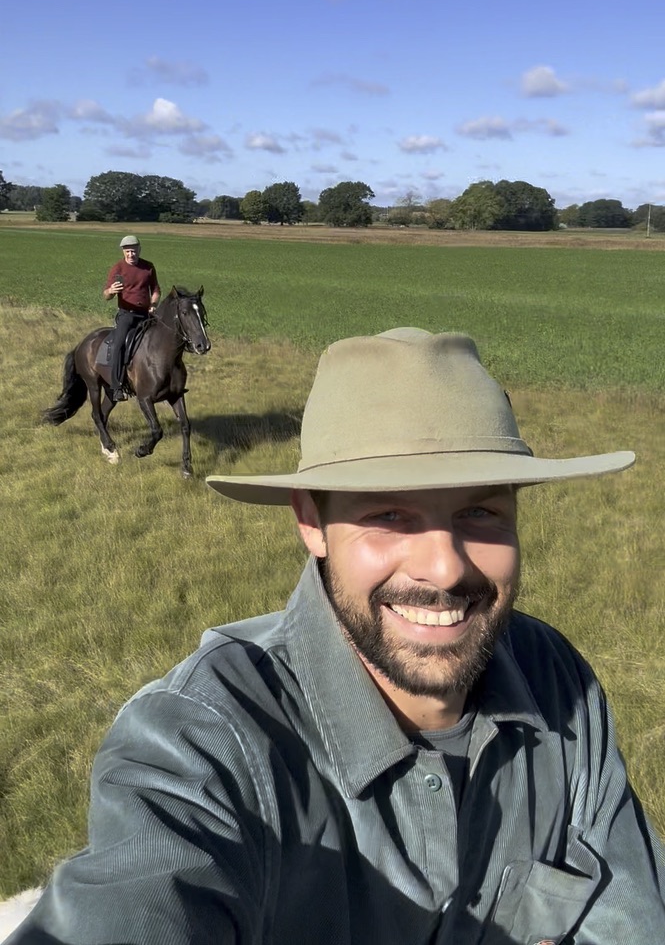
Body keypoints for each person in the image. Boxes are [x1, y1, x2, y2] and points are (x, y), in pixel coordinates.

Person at [9, 329, 664, 944]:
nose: (445, 567)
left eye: (480, 511)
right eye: (387, 515)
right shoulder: (202, 738)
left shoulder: (558, 683)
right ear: (310, 521)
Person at [103, 234, 160, 402]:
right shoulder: (117, 269)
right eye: (127, 251)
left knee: (164, 339)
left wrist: (154, 304)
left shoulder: (148, 267)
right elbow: (106, 296)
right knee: (119, 345)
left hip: (146, 315)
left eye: (134, 251)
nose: (131, 255)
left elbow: (156, 290)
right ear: (123, 252)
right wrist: (111, 291)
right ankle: (116, 387)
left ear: (139, 250)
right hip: (126, 315)